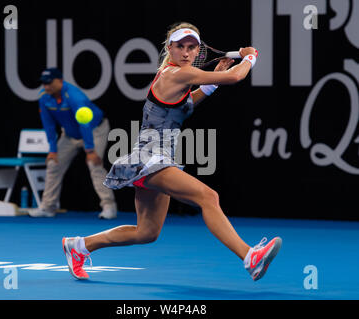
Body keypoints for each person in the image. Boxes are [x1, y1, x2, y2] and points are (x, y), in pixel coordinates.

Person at [62, 22, 282, 280]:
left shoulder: (178, 75)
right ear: (170, 48)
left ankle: (78, 246)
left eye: (192, 48)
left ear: (199, 50)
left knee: (146, 233)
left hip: (154, 158)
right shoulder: (176, 74)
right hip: (150, 159)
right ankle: (250, 256)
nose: (187, 53)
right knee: (208, 197)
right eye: (180, 47)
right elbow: (235, 77)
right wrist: (251, 57)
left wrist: (211, 87)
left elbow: (184, 107)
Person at [29, 67, 117, 219]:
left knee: (94, 165)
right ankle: (48, 207)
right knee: (53, 164)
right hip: (70, 135)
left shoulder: (75, 96)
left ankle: (109, 207)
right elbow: (48, 125)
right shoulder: (44, 97)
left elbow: (85, 124)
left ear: (60, 81)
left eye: (49, 83)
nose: (46, 86)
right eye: (43, 83)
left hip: (94, 130)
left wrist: (90, 150)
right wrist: (52, 149)